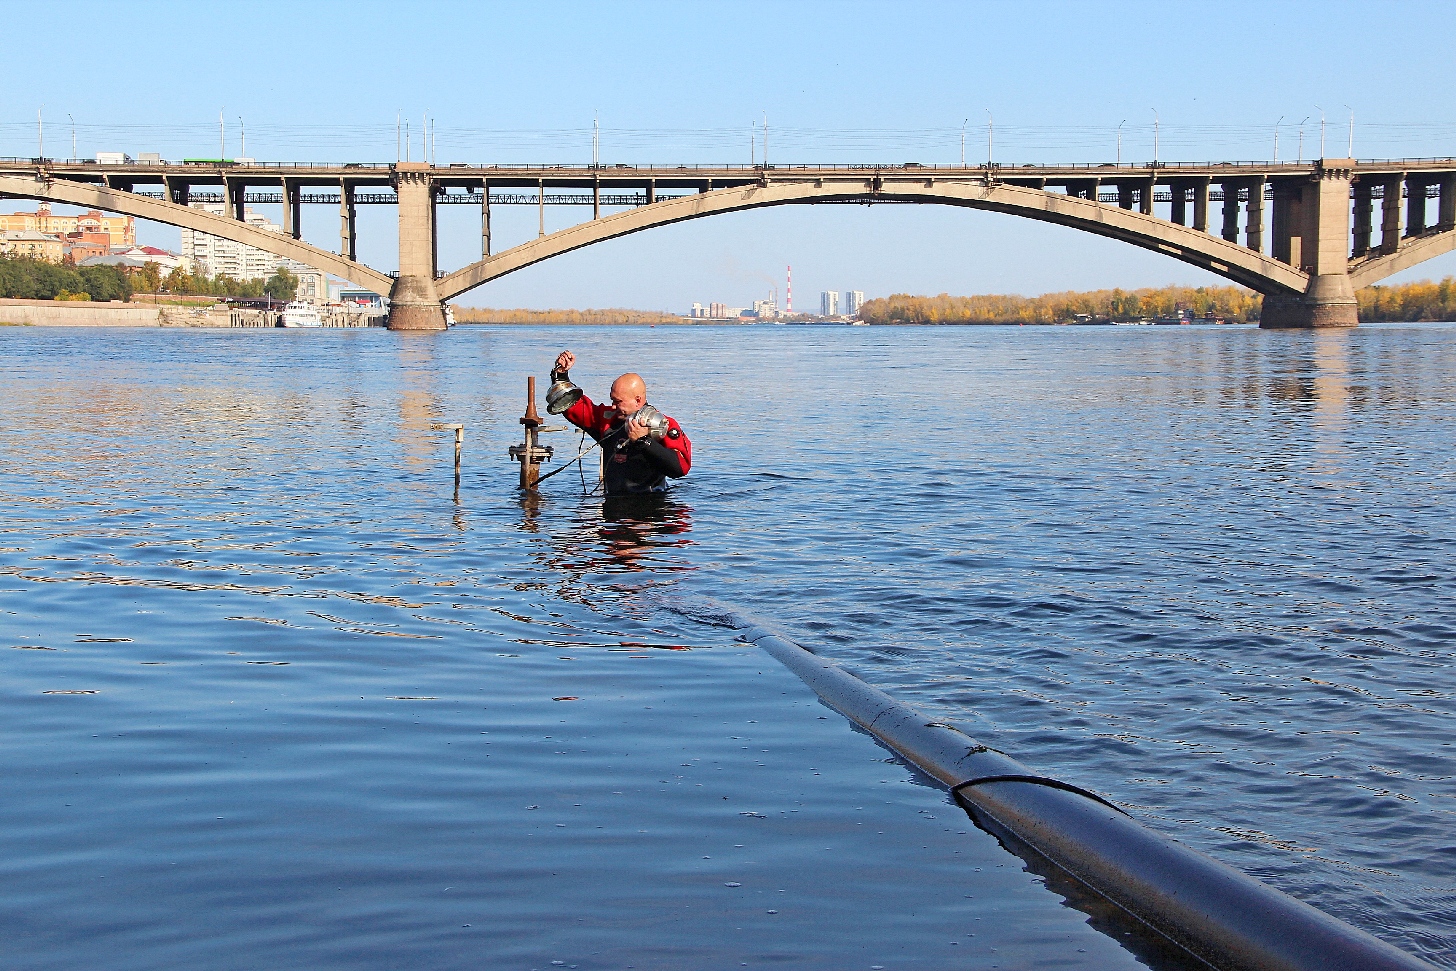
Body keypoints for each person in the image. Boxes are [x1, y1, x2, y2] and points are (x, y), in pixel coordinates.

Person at [552, 350, 691, 495]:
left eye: (618, 402)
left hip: (650, 508)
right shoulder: (608, 420)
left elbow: (680, 468)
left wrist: (644, 441)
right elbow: (572, 406)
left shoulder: (662, 424)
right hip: (612, 508)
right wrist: (561, 375)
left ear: (638, 400)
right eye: (612, 400)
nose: (613, 406)